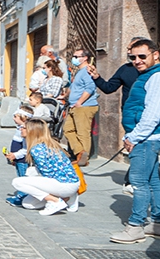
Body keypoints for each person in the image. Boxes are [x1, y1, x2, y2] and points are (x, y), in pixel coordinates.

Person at [111, 39, 160, 244]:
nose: (137, 60)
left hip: (146, 138)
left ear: (155, 55)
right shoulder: (147, 75)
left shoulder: (155, 77)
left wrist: (133, 136)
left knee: (138, 183)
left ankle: (135, 226)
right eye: (133, 57)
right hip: (147, 137)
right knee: (153, 181)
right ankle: (156, 223)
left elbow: (152, 113)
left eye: (142, 56)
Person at [89, 37, 146, 193]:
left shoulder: (153, 71)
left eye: (132, 49)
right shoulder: (124, 69)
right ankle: (131, 181)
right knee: (136, 148)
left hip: (151, 115)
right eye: (129, 50)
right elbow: (108, 88)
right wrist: (96, 77)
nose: (129, 52)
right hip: (131, 117)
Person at [12, 118, 81, 216]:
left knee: (17, 182)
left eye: (23, 127)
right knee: (27, 204)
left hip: (63, 183)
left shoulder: (37, 149)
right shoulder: (48, 144)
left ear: (32, 131)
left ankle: (55, 201)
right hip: (70, 183)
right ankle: (68, 198)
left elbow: (47, 173)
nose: (20, 129)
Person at [65, 48, 99, 166]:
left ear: (85, 58)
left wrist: (79, 102)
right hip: (74, 106)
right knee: (68, 129)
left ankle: (83, 158)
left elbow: (90, 88)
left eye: (76, 56)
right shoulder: (79, 71)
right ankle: (80, 152)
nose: (73, 58)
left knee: (82, 133)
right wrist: (64, 96)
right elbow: (74, 88)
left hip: (84, 106)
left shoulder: (87, 71)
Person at [4, 106, 35, 207]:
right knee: (20, 176)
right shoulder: (20, 129)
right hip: (18, 158)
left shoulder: (26, 131)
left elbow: (26, 149)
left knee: (23, 178)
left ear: (23, 117)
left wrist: (15, 155)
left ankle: (23, 196)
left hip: (23, 159)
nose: (13, 118)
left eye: (15, 116)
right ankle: (22, 194)